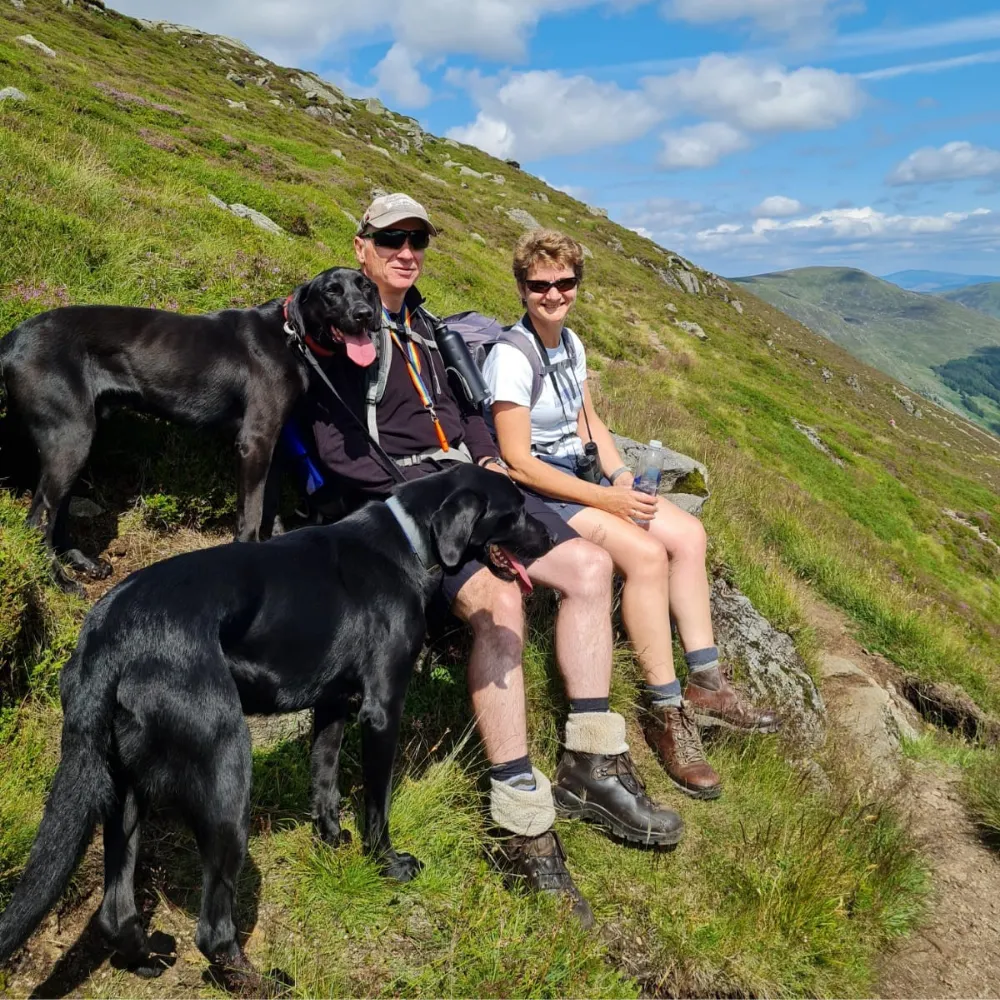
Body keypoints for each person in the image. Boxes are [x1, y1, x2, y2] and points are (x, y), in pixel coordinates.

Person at [297, 194, 682, 927]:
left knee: (592, 569)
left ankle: (589, 763)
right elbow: (338, 451)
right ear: (361, 246)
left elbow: (473, 414)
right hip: (416, 509)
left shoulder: (428, 329)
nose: (406, 252)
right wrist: (432, 491)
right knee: (502, 604)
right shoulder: (342, 333)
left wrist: (485, 460)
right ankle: (519, 819)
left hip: (474, 486)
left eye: (417, 240)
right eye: (391, 239)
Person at [484, 229, 780, 800]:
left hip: (585, 480)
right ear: (521, 288)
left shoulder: (570, 343)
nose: (554, 294)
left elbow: (587, 421)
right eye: (540, 285)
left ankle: (707, 682)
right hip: (544, 494)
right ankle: (666, 710)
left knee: (688, 534)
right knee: (646, 556)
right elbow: (517, 461)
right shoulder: (511, 357)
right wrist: (606, 500)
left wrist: (618, 474)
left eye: (565, 281)